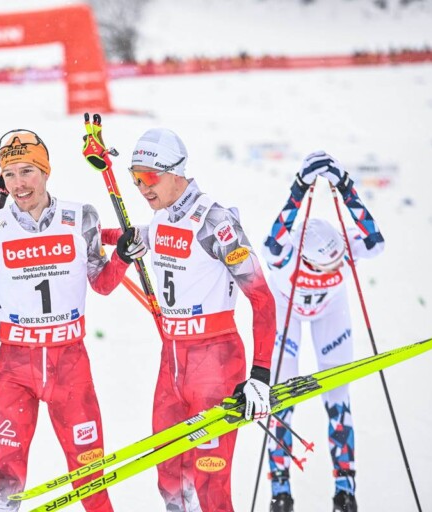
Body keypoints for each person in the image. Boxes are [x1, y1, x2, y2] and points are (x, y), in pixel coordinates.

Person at [0, 129, 146, 512]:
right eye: (10, 175)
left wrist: (122, 257)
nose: (19, 184)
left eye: (28, 172)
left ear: (46, 171)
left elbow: (102, 284)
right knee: (7, 482)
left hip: (69, 366)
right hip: (14, 369)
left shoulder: (80, 217)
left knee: (91, 478)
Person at [96, 127, 276, 511]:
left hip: (216, 364)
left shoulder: (216, 222)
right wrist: (100, 235)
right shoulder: (161, 218)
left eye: (148, 178)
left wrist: (260, 376)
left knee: (211, 485)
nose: (141, 188)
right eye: (134, 178)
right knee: (170, 480)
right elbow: (141, 234)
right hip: (172, 365)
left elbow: (262, 299)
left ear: (175, 172)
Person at [262, 151, 384, 512]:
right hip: (287, 311)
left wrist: (346, 188)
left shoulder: (342, 244)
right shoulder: (286, 251)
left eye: (337, 260)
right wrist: (299, 189)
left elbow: (376, 242)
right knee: (281, 400)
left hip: (330, 310)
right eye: (325, 263)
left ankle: (345, 490)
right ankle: (280, 491)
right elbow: (271, 240)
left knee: (338, 397)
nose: (335, 264)